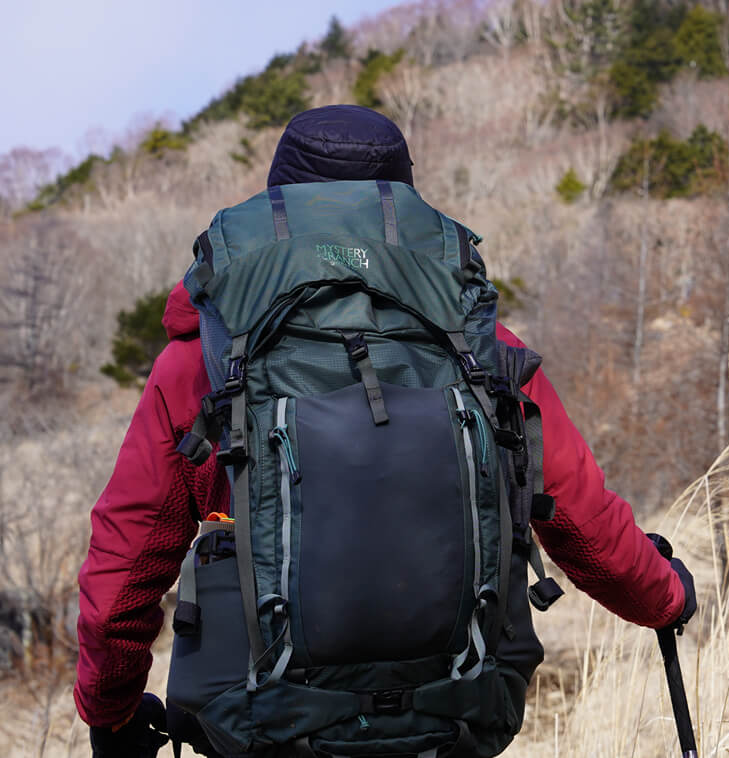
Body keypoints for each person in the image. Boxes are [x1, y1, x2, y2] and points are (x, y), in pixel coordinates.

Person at [75, 105, 695, 756]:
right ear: (404, 206)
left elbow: (124, 570)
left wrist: (111, 711)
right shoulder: (487, 354)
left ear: (276, 206)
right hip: (454, 714)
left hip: (263, 721)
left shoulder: (198, 364)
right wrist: (665, 596)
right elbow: (580, 516)